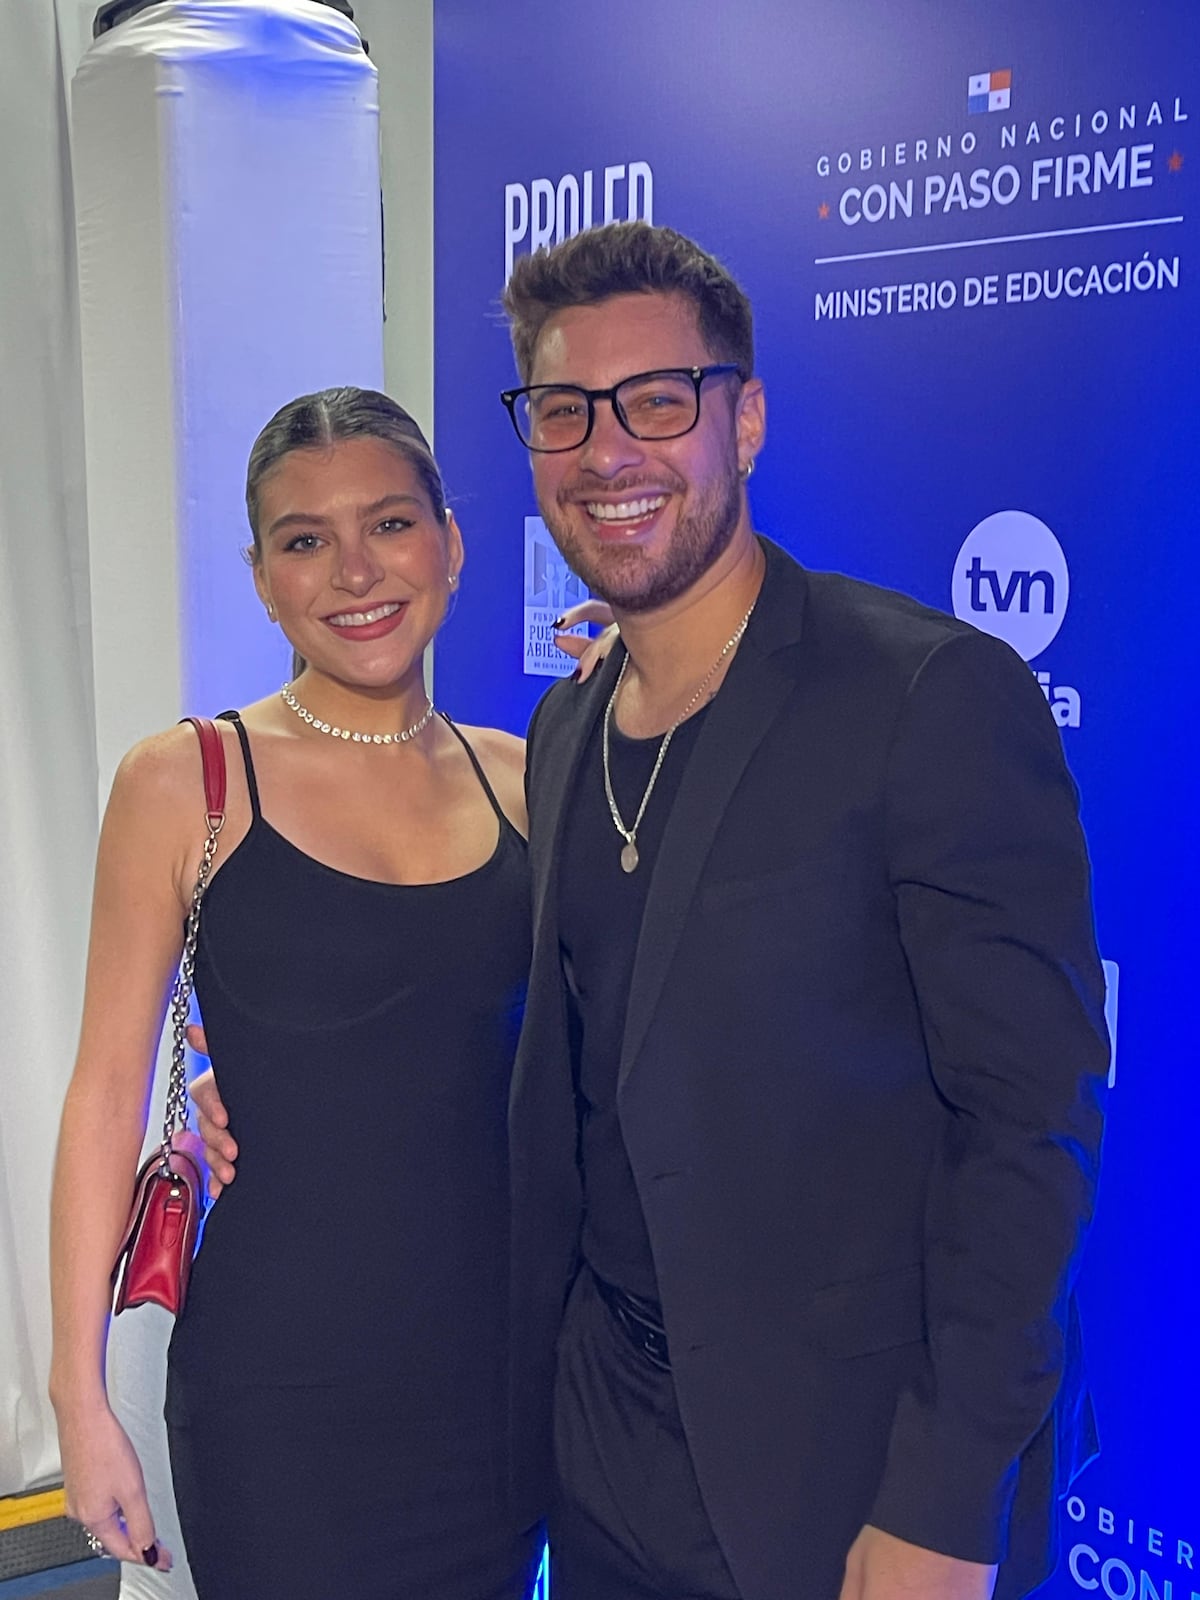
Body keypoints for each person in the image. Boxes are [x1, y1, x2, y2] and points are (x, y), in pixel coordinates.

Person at [197, 223, 1109, 1600]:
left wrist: (944, 1501)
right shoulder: (564, 733)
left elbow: (1030, 1129)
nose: (608, 451)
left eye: (658, 401)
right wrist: (237, 1085)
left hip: (849, 1469)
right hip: (599, 1453)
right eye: (566, 410)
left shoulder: (924, 696)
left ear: (746, 421)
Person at [49, 388, 546, 1600]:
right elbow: (105, 1093)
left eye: (390, 524)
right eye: (305, 539)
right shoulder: (188, 781)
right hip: (278, 1395)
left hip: (495, 1392)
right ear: (263, 579)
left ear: (451, 544)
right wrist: (77, 1394)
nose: (354, 572)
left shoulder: (528, 781)